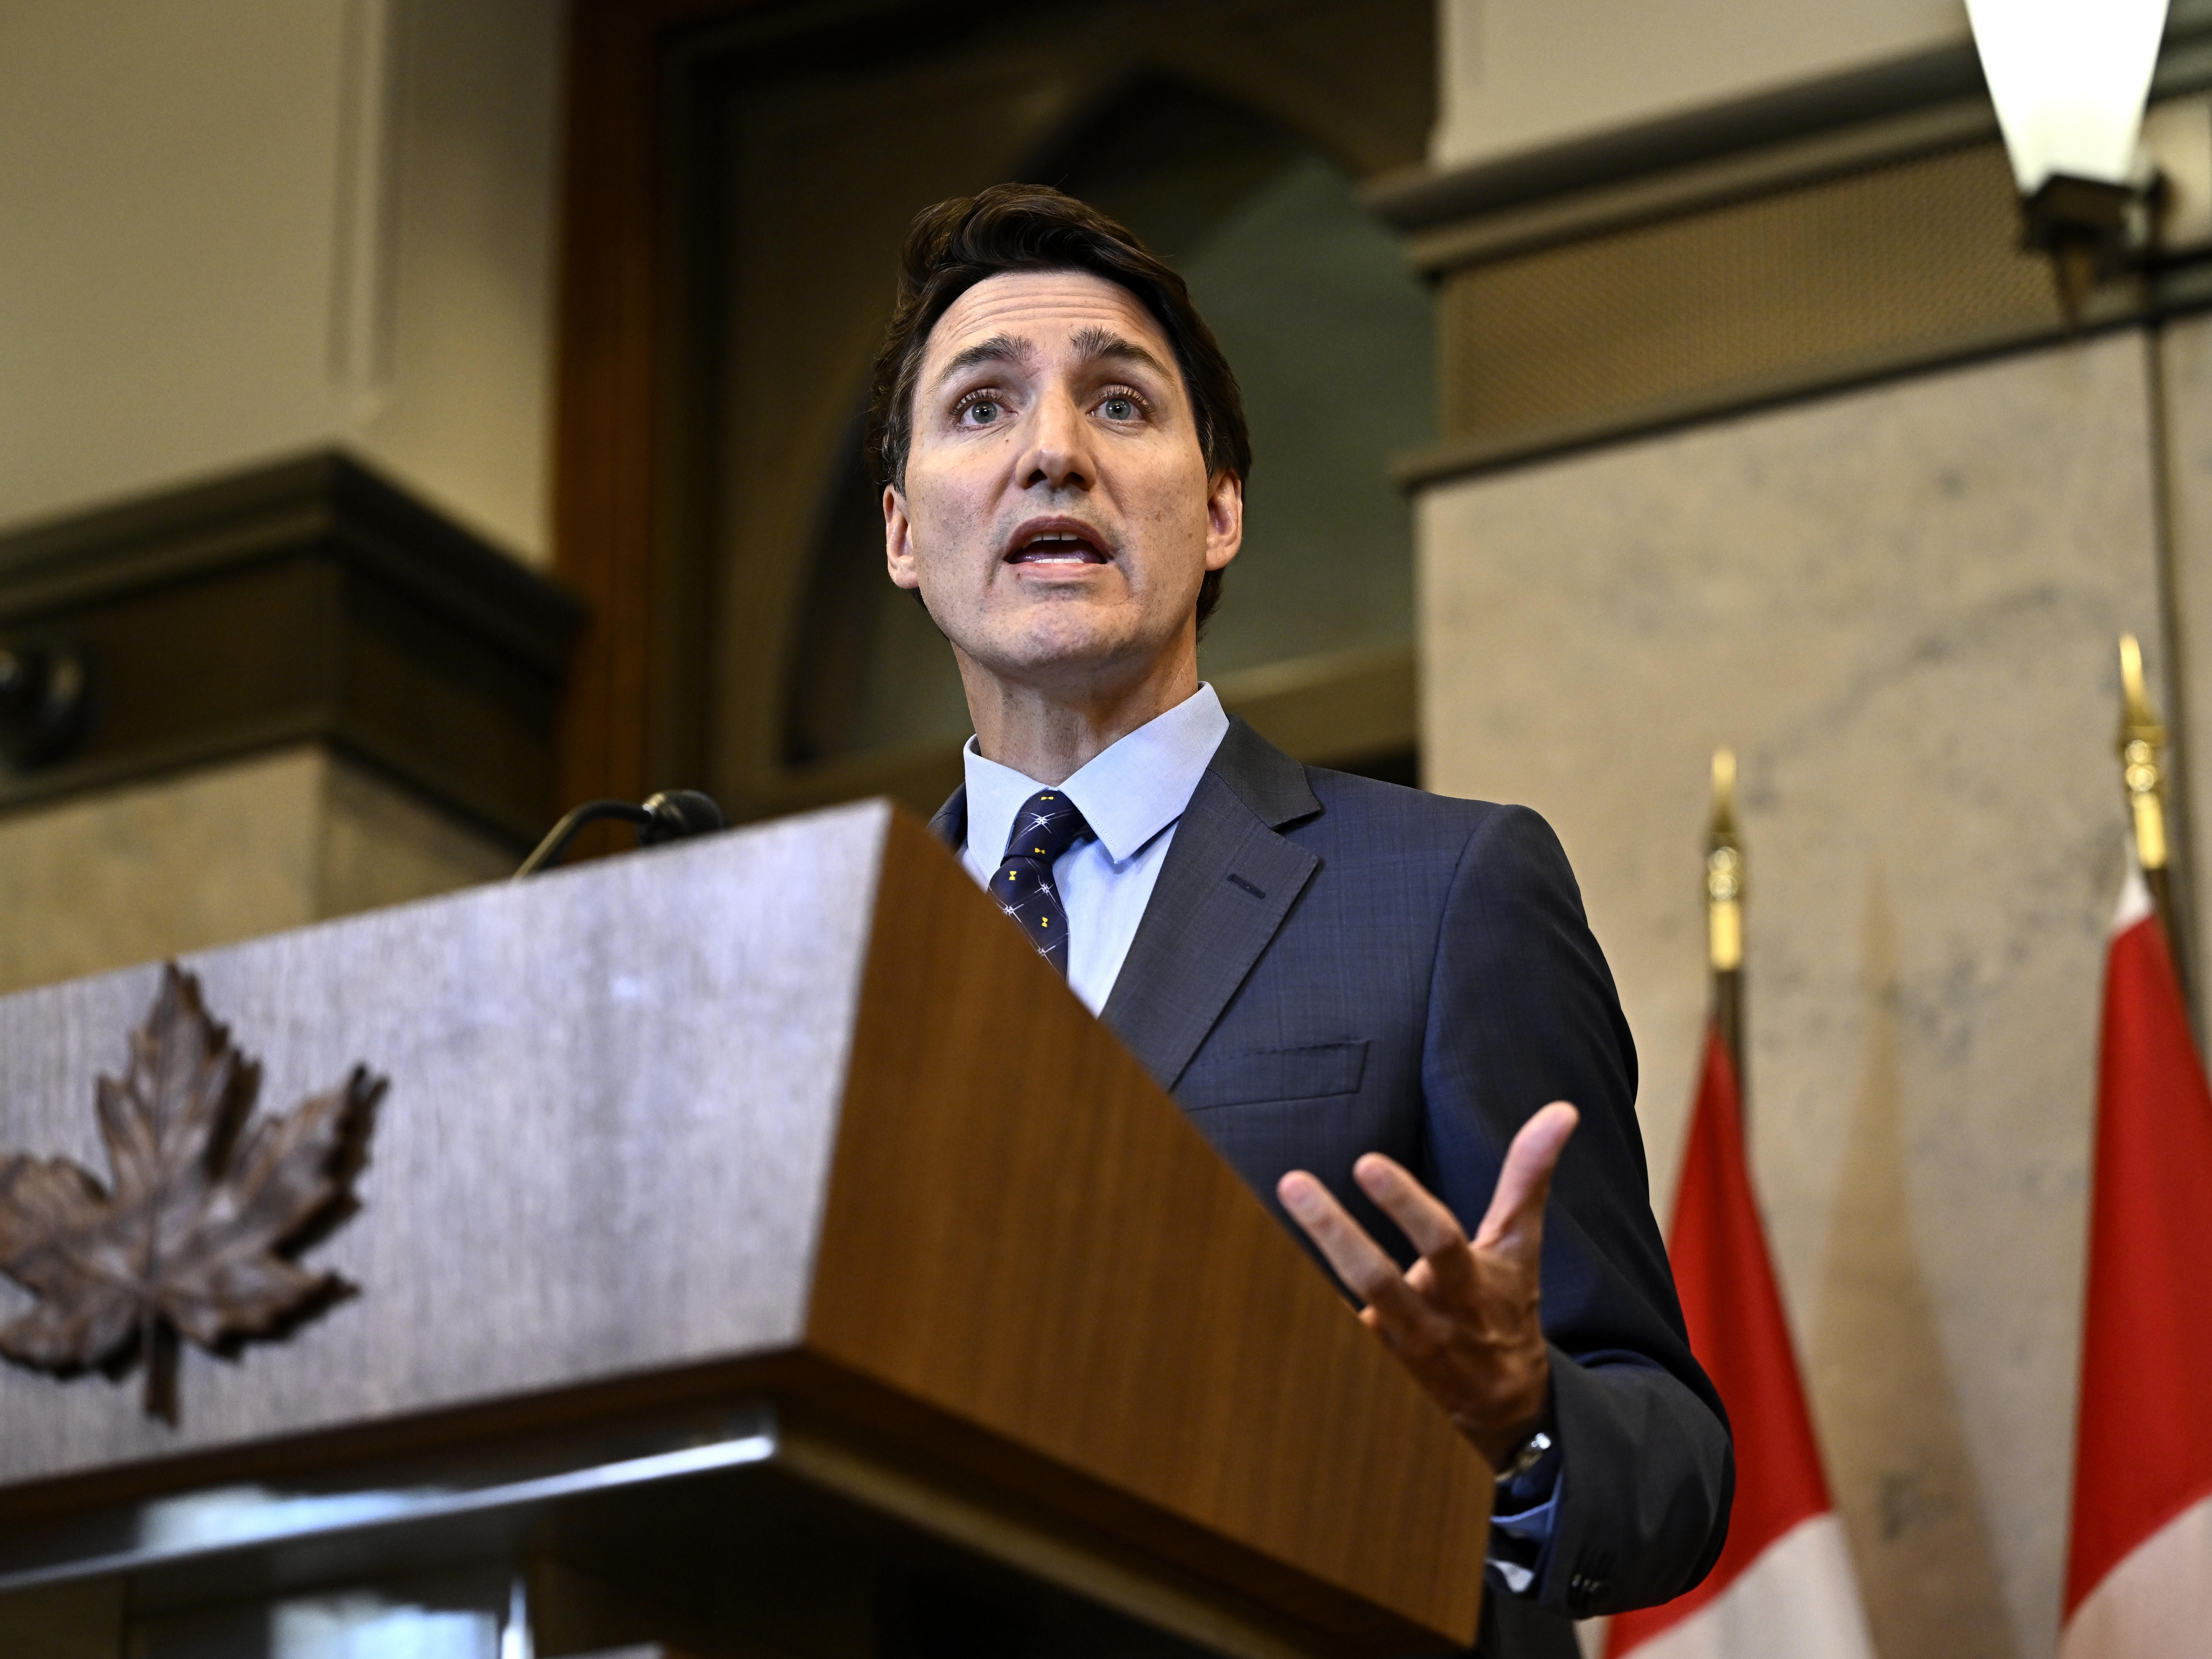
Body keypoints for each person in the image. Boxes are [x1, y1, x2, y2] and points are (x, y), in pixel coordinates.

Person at [870, 182, 1731, 1658]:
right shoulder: (842, 963)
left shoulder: (1451, 892)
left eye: (1120, 404)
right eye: (981, 407)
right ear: (902, 532)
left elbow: (1672, 1463)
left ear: (1218, 513)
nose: (1052, 452)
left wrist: (1521, 1411)